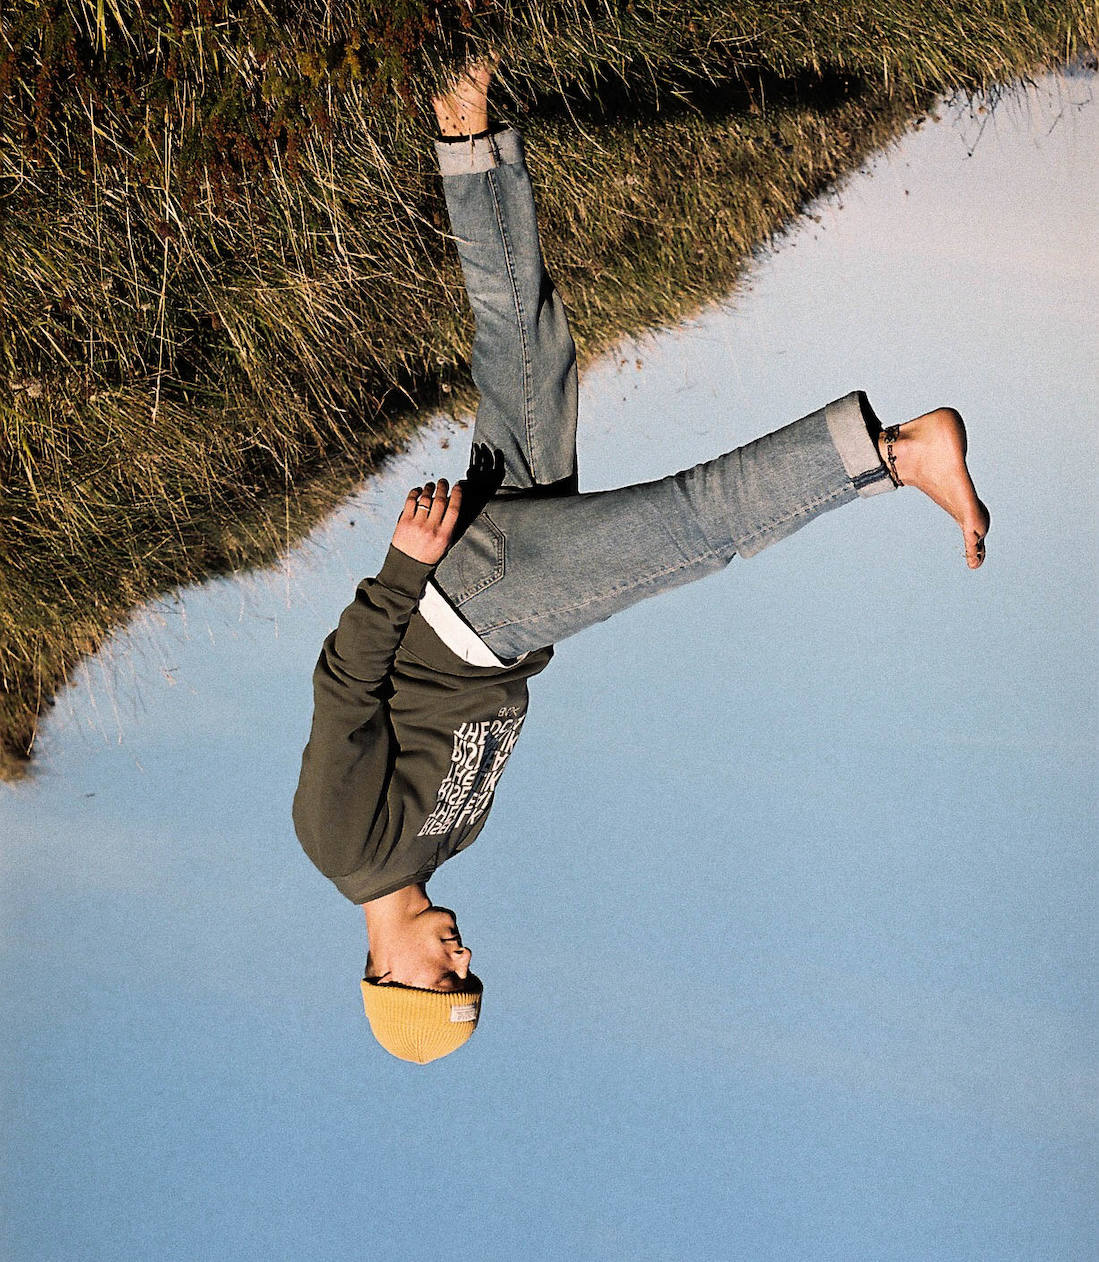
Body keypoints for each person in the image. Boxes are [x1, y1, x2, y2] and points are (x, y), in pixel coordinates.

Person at [292, 63, 990, 1064]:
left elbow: (342, 688)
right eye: (472, 975)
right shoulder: (446, 847)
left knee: (691, 532)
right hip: (505, 610)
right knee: (529, 350)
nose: (463, 956)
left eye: (446, 979)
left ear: (384, 977)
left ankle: (894, 452)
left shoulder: (340, 847)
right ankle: (463, 124)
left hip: (475, 605)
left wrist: (404, 566)